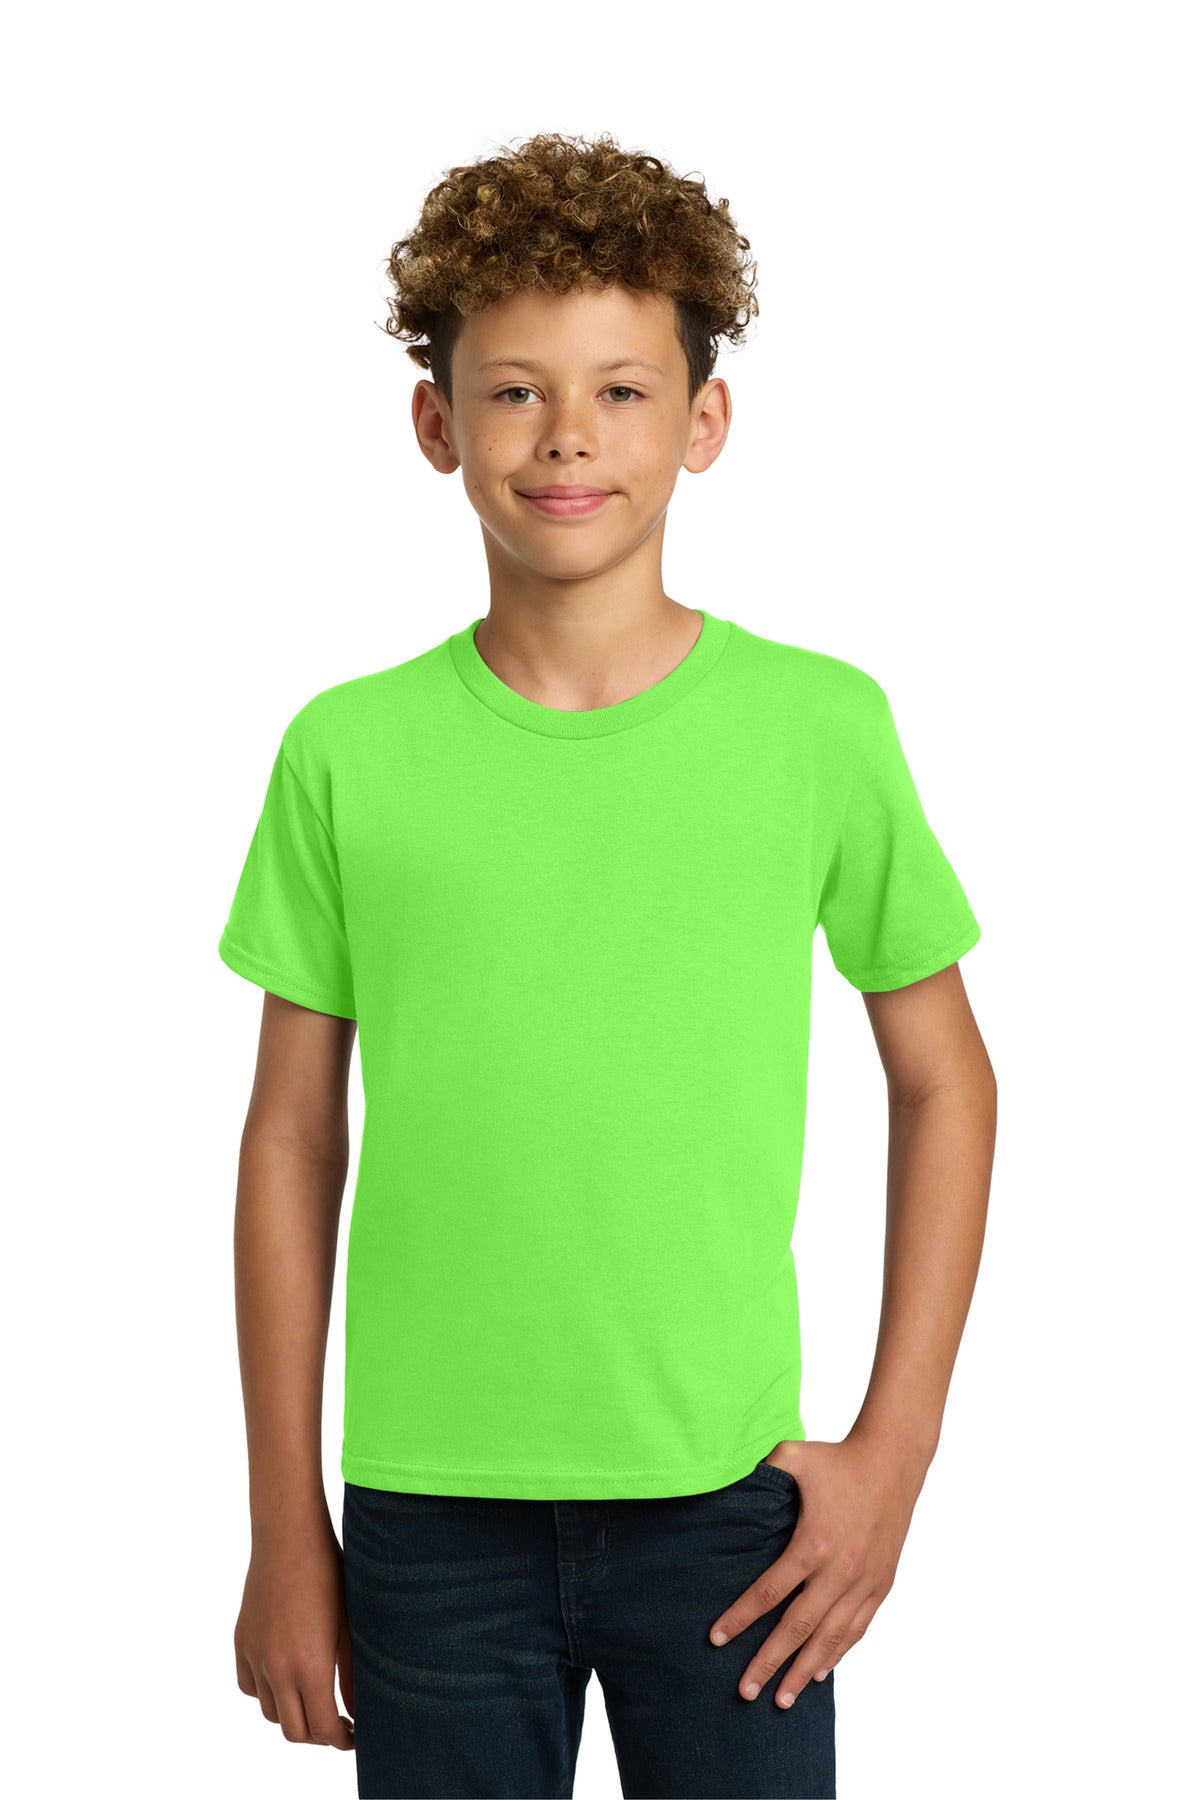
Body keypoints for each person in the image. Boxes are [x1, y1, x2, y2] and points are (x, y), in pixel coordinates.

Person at [218, 130, 997, 1800]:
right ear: (436, 424)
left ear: (704, 422)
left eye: (622, 392)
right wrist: (287, 1521)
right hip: (429, 1511)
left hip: (730, 1507)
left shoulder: (818, 728)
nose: (568, 434)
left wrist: (896, 1453)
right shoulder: (346, 752)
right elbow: (289, 1136)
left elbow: (945, 1080)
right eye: (514, 392)